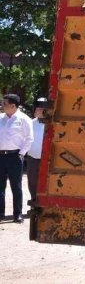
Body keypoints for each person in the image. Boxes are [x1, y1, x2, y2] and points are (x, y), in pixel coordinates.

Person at [0, 93, 34, 222]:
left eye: (5, 103)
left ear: (13, 106)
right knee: (0, 186)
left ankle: (17, 214)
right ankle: (0, 213)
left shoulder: (23, 119)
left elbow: (29, 138)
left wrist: (21, 154)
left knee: (16, 187)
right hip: (1, 156)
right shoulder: (1, 118)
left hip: (15, 156)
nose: (2, 106)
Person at [26, 97, 50, 209]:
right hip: (33, 158)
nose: (36, 110)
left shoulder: (52, 124)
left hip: (48, 159)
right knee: (32, 181)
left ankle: (46, 203)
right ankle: (34, 202)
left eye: (39, 108)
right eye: (36, 108)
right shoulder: (30, 123)